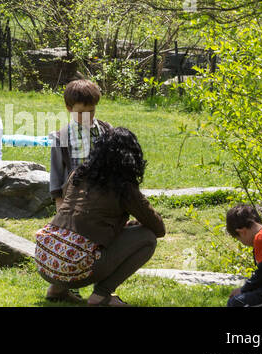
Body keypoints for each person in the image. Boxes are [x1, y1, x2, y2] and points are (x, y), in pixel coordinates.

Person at [36, 127, 165, 306]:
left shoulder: (77, 174)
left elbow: (79, 213)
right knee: (148, 238)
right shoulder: (123, 187)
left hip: (45, 260)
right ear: (131, 157)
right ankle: (101, 295)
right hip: (76, 267)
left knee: (75, 235)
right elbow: (159, 229)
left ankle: (57, 289)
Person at [49, 79, 114, 209]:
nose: (86, 117)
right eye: (81, 113)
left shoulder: (106, 129)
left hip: (103, 193)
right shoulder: (61, 137)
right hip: (75, 196)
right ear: (69, 108)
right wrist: (59, 201)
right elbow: (56, 171)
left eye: (91, 111)